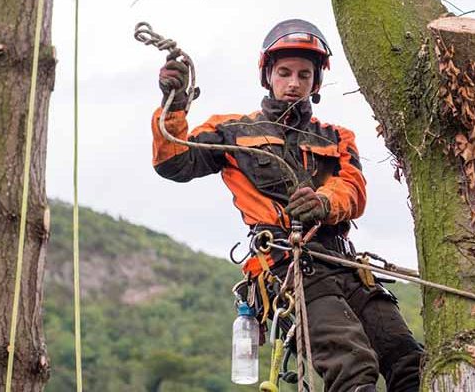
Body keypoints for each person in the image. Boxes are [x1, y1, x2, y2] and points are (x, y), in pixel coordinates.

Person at [151, 19, 423, 392]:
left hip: (345, 265)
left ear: (316, 83)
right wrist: (175, 105)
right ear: (268, 75)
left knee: (409, 360)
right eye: (284, 73)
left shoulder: (336, 137)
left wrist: (324, 202)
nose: (293, 83)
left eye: (303, 75)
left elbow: (353, 190)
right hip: (288, 267)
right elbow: (174, 163)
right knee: (353, 367)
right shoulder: (231, 132)